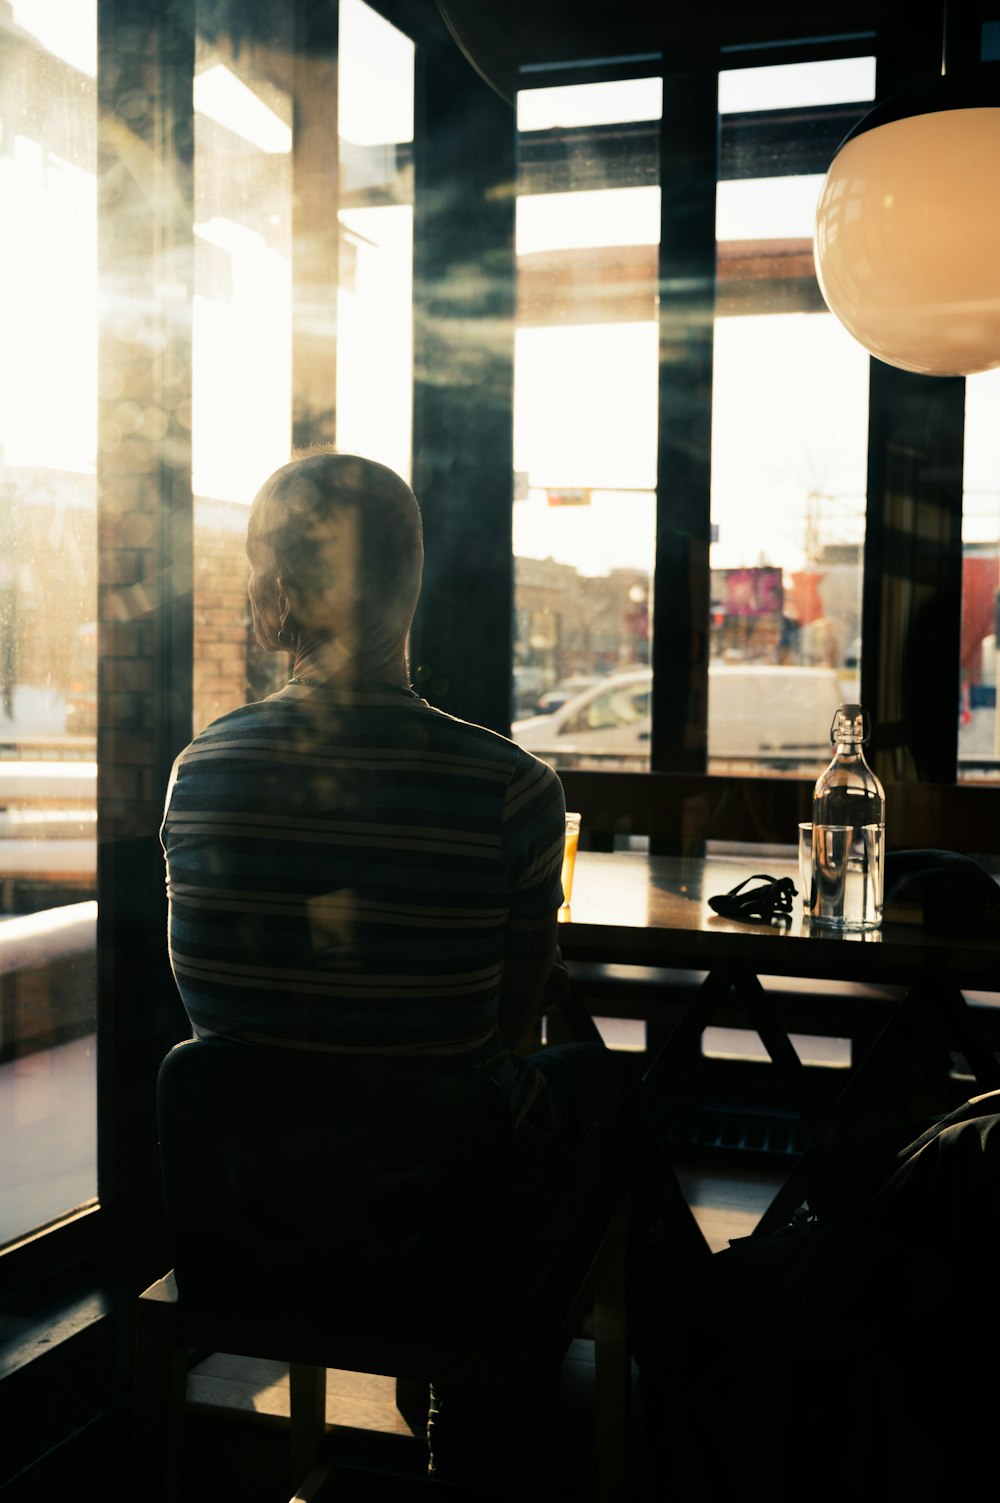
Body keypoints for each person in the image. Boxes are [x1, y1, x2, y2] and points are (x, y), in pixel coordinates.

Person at [160, 449, 707, 1485]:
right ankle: (686, 1386)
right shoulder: (511, 788)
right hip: (437, 1230)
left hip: (252, 1230)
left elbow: (219, 1015)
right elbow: (502, 1038)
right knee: (586, 1088)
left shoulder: (199, 773)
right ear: (412, 583)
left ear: (271, 599)